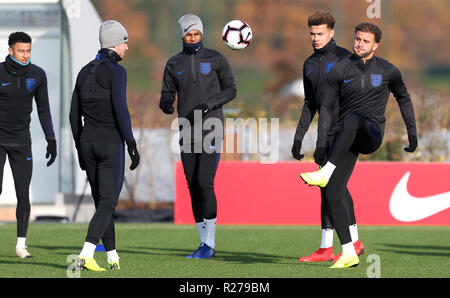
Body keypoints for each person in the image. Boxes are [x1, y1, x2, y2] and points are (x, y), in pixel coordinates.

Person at [300, 22, 417, 268]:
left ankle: (326, 172)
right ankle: (349, 252)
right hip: (345, 137)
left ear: (376, 45)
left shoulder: (388, 70)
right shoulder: (340, 69)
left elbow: (404, 99)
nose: (359, 44)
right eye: (357, 39)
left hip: (371, 133)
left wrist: (412, 133)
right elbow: (327, 110)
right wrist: (322, 144)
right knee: (333, 192)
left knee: (353, 118)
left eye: (365, 41)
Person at [159, 14, 236, 259]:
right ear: (182, 36)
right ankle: (203, 243)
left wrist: (208, 105)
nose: (193, 38)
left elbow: (231, 90)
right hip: (186, 129)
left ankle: (210, 243)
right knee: (193, 186)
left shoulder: (216, 59)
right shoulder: (173, 64)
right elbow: (167, 93)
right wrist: (165, 103)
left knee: (205, 182)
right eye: (189, 35)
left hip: (212, 127)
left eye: (197, 34)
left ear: (202, 34)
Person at [292, 11, 365, 263]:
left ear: (332, 32)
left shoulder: (349, 58)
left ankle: (347, 244)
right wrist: (299, 137)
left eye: (320, 33)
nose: (315, 38)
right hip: (324, 136)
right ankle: (330, 247)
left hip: (346, 134)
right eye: (311, 33)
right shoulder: (309, 64)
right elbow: (309, 103)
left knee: (333, 187)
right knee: (332, 188)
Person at [70, 20, 140, 271]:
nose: (127, 48)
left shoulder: (84, 71)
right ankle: (87, 253)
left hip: (87, 142)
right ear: (115, 44)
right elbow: (121, 110)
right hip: (110, 143)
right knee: (109, 202)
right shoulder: (117, 72)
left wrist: (80, 147)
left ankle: (112, 257)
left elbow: (72, 115)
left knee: (102, 202)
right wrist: (131, 143)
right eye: (125, 42)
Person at [0, 32, 57, 259]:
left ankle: (21, 246)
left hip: (22, 141)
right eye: (21, 51)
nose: (25, 55)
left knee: (23, 193)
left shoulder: (38, 75)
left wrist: (51, 139)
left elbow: (44, 110)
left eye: (29, 50)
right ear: (10, 50)